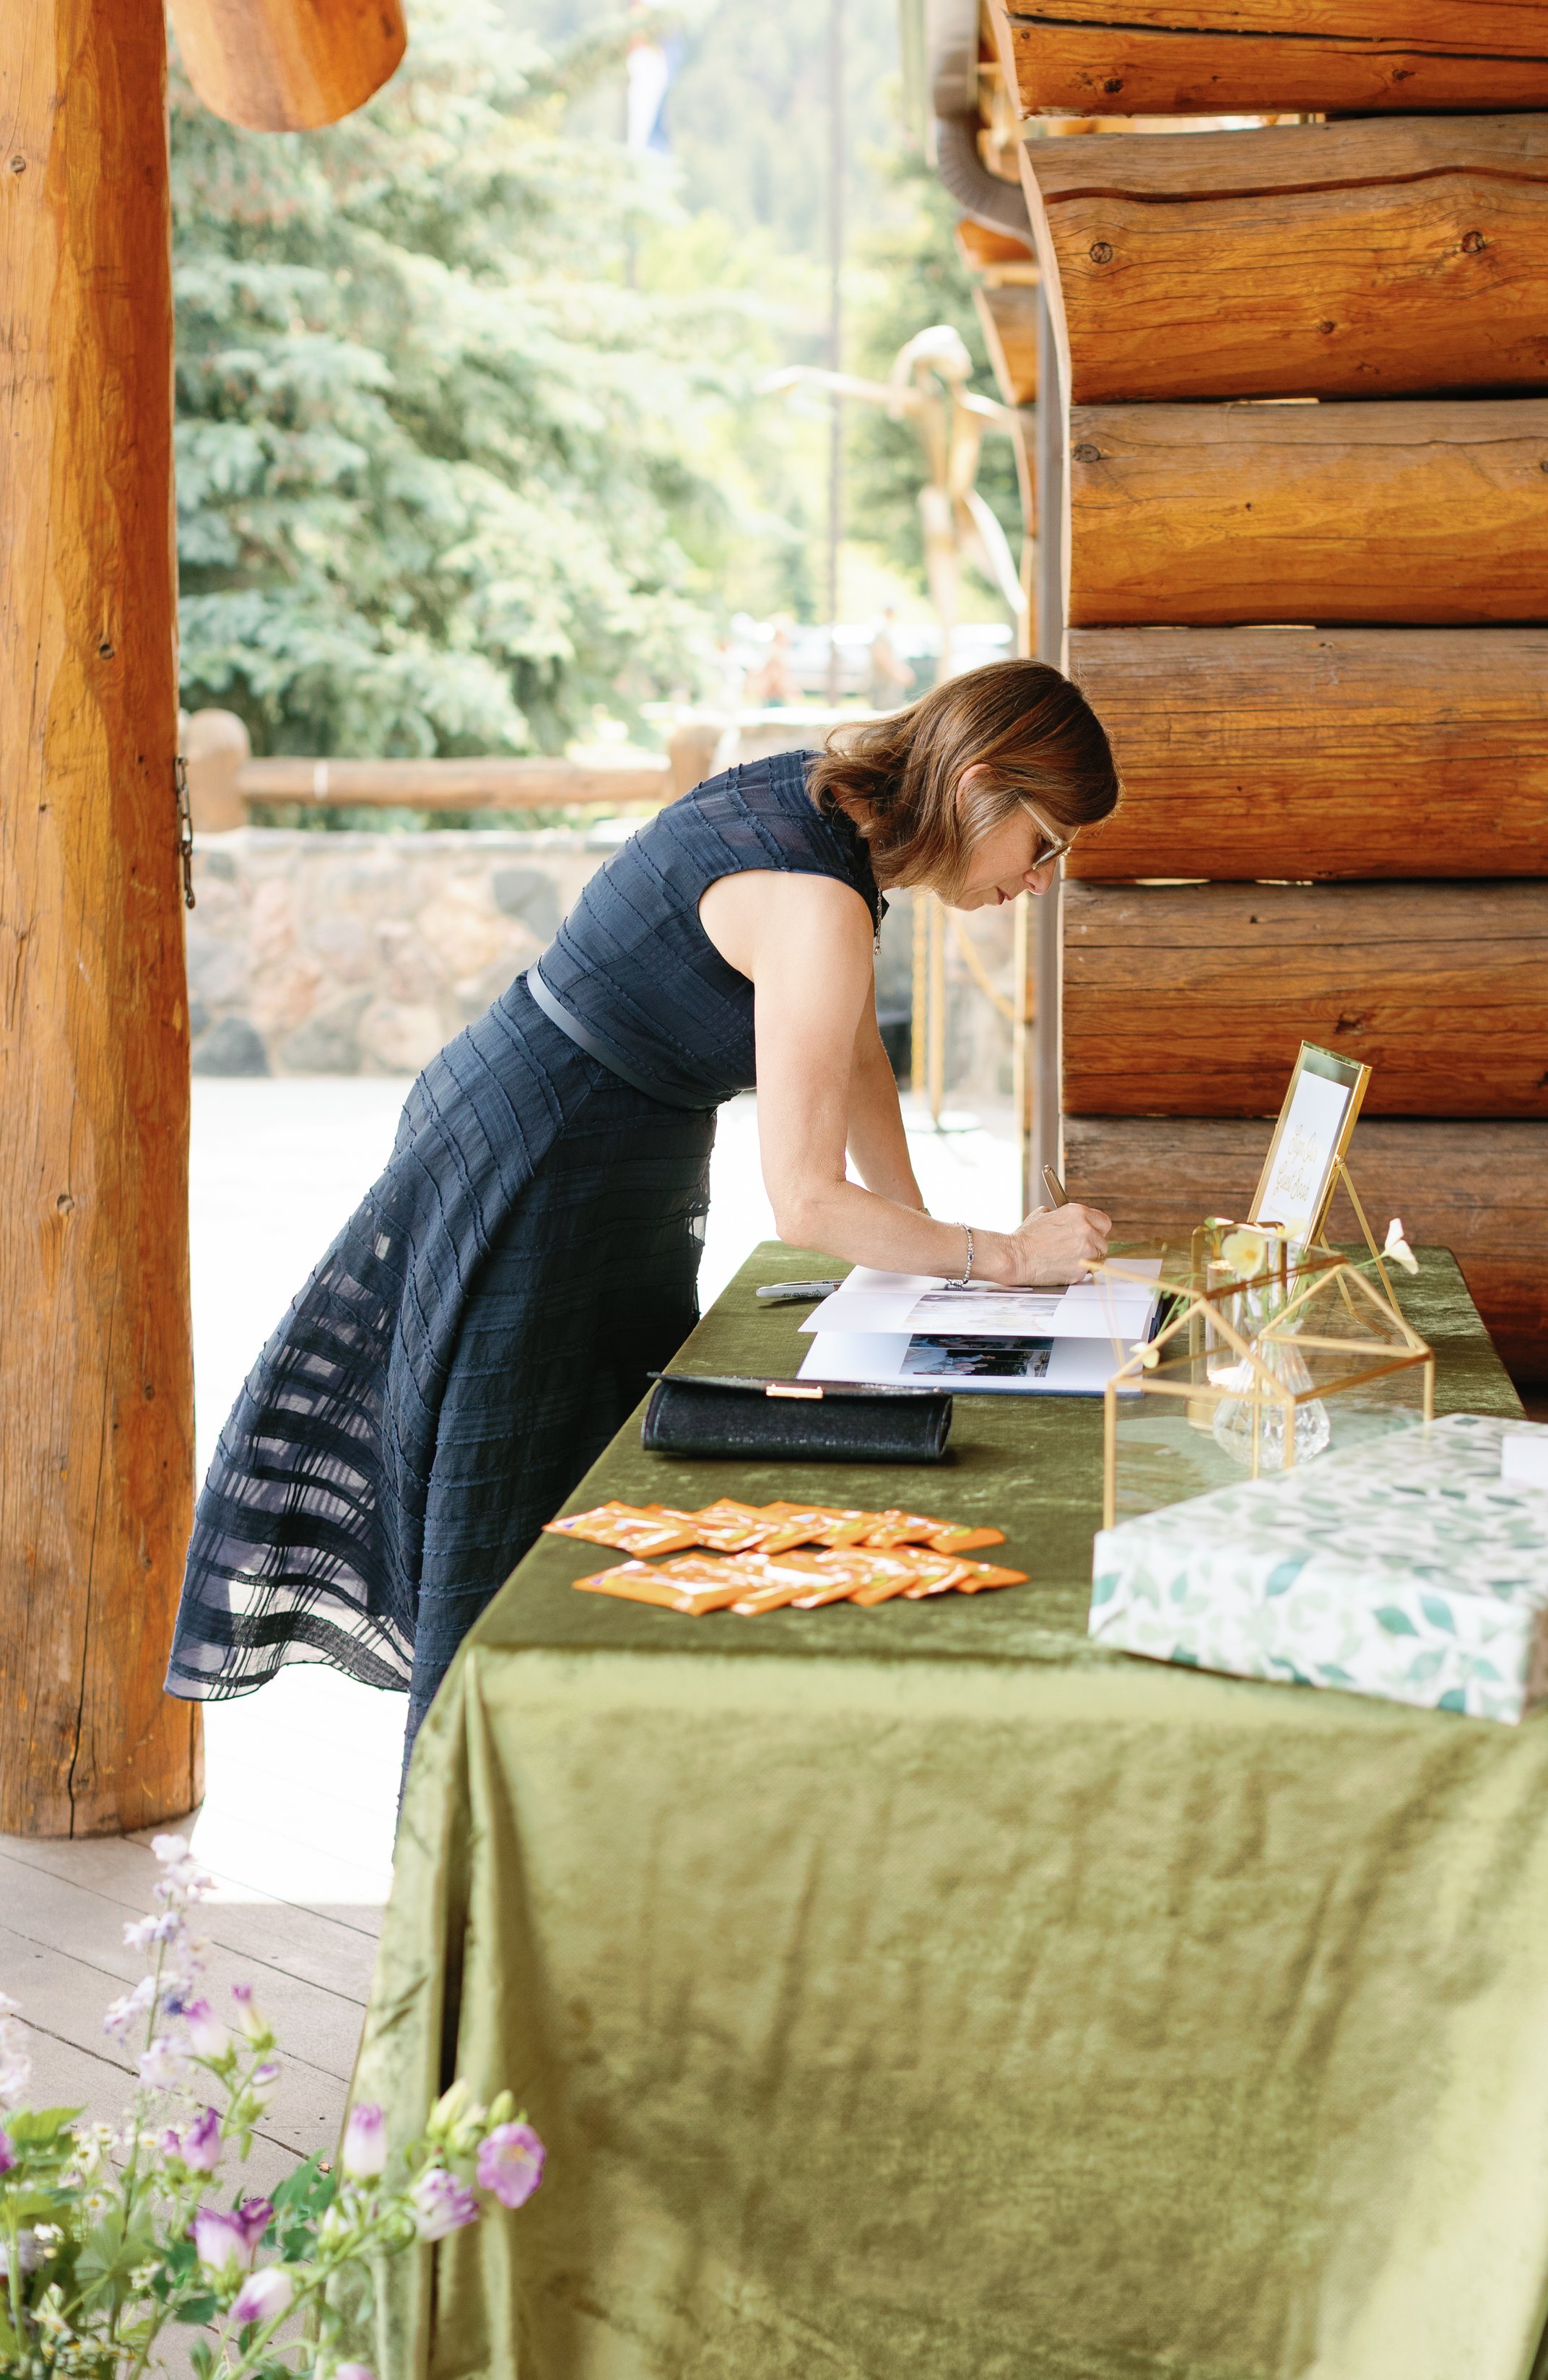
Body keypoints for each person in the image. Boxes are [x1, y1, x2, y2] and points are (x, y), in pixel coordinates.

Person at [165, 660, 1120, 1752]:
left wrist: (933, 1267)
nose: (1045, 879)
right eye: (1045, 843)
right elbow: (806, 1201)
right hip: (544, 1165)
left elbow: (853, 1058)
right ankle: (475, 1880)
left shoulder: (829, 818)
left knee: (593, 1531)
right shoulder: (817, 898)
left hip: (580, 1144)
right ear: (981, 780)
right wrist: (1001, 1258)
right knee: (509, 1554)